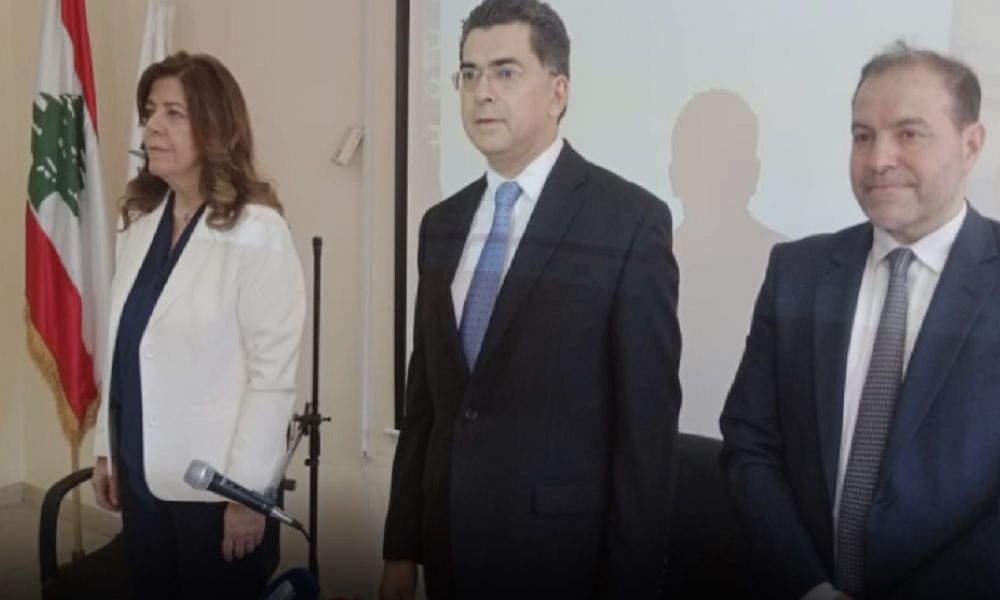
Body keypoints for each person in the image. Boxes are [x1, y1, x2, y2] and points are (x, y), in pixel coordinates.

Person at [380, 1, 681, 598]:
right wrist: (401, 547)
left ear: (557, 92)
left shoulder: (627, 221)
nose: (482, 92)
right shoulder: (441, 224)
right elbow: (426, 402)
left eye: (506, 72)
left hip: (562, 557)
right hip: (448, 548)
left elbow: (646, 431)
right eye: (469, 74)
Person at [720, 42, 998, 599]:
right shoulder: (797, 271)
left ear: (971, 144)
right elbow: (750, 444)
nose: (878, 160)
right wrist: (810, 585)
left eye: (908, 134)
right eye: (862, 136)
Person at [89, 51, 306, 600]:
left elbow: (271, 379)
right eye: (149, 112)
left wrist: (248, 495)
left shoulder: (259, 231)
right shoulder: (139, 222)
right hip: (140, 476)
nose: (152, 127)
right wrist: (105, 449)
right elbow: (124, 348)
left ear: (216, 127)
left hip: (215, 493)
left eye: (173, 113)